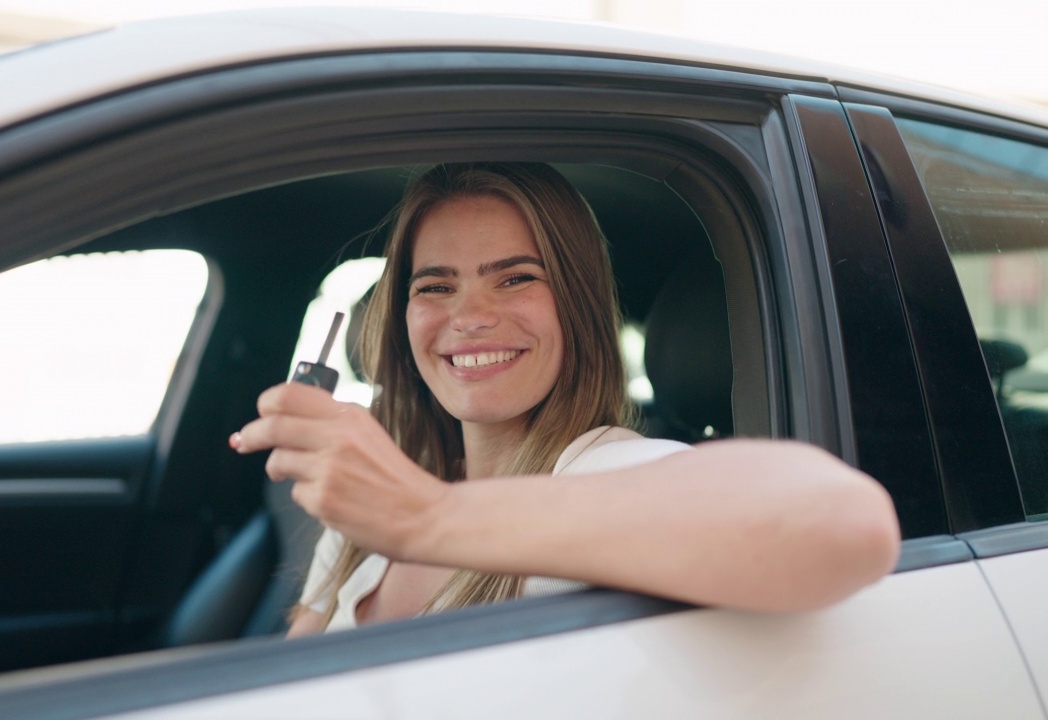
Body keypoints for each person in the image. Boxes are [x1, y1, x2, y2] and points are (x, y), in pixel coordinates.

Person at [229, 162, 900, 637]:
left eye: (515, 278)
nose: (470, 317)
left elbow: (846, 521)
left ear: (576, 306)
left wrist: (424, 517)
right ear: (400, 319)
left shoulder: (599, 472)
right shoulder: (373, 500)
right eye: (435, 287)